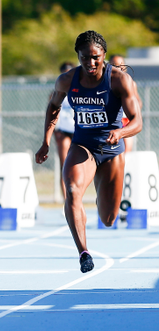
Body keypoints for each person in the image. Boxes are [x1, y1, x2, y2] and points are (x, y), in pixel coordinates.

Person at [35, 30, 142, 273]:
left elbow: (137, 121)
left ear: (103, 55)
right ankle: (84, 252)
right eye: (85, 58)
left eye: (96, 57)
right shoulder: (66, 80)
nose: (91, 63)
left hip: (112, 149)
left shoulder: (118, 80)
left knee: (108, 218)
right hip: (83, 145)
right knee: (72, 191)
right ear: (78, 56)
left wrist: (121, 132)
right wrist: (46, 141)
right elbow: (53, 106)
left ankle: (100, 193)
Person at [108, 54, 143, 153]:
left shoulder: (130, 83)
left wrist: (134, 111)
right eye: (115, 65)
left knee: (127, 149)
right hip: (112, 122)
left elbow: (138, 101)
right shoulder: (107, 83)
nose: (119, 67)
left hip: (125, 121)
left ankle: (124, 166)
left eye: (121, 65)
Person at [53, 62, 76, 199]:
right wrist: (55, 131)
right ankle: (66, 201)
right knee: (65, 165)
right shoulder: (58, 92)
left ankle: (78, 197)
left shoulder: (82, 89)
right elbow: (52, 113)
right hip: (64, 131)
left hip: (79, 131)